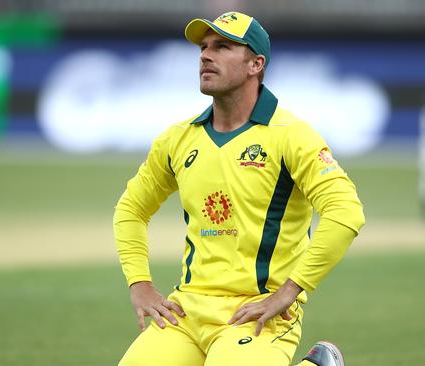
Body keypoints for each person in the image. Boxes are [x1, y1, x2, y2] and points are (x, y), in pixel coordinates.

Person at [113, 11, 365, 366]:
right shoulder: (178, 139)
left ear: (255, 64)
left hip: (256, 313)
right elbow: (131, 210)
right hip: (186, 311)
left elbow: (346, 212)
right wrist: (140, 284)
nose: (205, 55)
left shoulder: (291, 135)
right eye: (203, 47)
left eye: (223, 46)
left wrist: (290, 292)